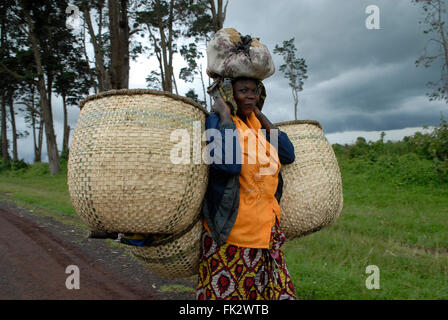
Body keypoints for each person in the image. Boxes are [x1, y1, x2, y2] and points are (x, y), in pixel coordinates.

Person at [197, 77, 297, 300]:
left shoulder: (257, 125)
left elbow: (288, 154)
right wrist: (224, 115)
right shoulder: (216, 121)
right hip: (232, 236)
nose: (251, 96)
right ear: (230, 95)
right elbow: (228, 165)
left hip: (266, 234)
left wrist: (260, 114)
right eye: (243, 91)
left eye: (255, 91)